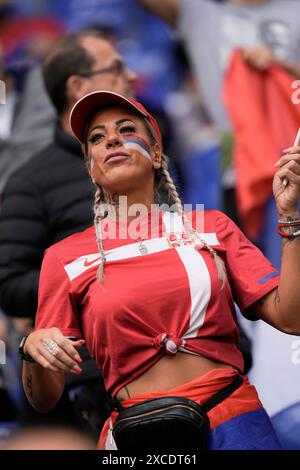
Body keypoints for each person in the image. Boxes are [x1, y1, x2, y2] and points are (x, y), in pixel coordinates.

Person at [20, 90, 300, 450]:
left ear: (156, 154)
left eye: (126, 129)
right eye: (97, 138)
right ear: (90, 166)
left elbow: (291, 318)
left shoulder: (212, 226)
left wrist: (290, 216)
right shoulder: (63, 258)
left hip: (235, 422)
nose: (113, 140)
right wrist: (32, 347)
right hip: (138, 437)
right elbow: (44, 398)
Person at [0, 31, 136, 435]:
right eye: (114, 68)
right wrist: (95, 274)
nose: (129, 74)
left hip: (179, 365)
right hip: (93, 377)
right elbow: (8, 283)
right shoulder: (31, 182)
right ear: (77, 87)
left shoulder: (145, 158)